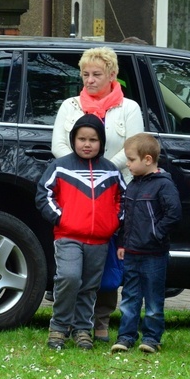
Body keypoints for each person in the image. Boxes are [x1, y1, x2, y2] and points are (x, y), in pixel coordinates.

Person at [51, 46, 144, 343]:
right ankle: (68, 324)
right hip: (75, 193)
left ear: (112, 75)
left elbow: (132, 149)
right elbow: (59, 147)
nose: (89, 80)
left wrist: (103, 170)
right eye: (85, 75)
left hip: (114, 187)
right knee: (74, 269)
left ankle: (99, 320)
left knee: (106, 266)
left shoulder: (128, 108)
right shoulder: (70, 105)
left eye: (96, 75)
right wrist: (79, 171)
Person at [37, 115, 125, 350]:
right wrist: (61, 218)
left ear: (102, 142)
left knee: (89, 286)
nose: (87, 144)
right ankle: (58, 328)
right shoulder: (60, 166)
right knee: (69, 277)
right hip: (68, 237)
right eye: (82, 139)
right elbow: (44, 194)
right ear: (73, 140)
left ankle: (83, 329)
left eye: (93, 140)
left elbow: (123, 200)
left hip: (100, 241)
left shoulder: (111, 171)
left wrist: (114, 221)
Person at [110, 133, 181, 354]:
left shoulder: (163, 185)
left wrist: (156, 234)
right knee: (130, 296)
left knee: (153, 298)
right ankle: (126, 336)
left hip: (154, 253)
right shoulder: (132, 185)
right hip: (131, 252)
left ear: (147, 159)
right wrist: (123, 242)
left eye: (131, 160)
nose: (128, 164)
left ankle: (152, 338)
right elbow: (126, 217)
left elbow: (174, 214)